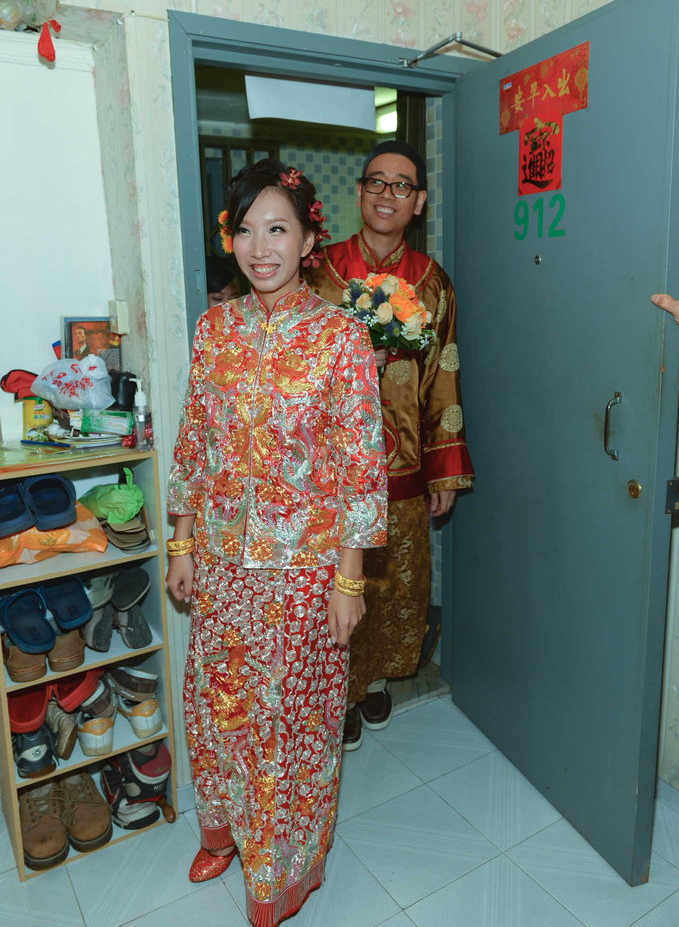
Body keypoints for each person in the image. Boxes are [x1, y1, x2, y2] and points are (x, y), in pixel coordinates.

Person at [166, 158, 387, 927]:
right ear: (230, 239)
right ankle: (223, 833)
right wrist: (182, 543)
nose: (261, 248)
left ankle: (282, 872)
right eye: (246, 230)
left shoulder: (341, 338)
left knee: (291, 729)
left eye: (278, 230)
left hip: (304, 573)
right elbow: (194, 441)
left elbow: (362, 468)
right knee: (216, 708)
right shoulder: (213, 329)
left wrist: (349, 582)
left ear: (308, 239)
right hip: (222, 564)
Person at [307, 140, 475, 750]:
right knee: (330, 582)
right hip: (323, 468)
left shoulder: (432, 283)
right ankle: (338, 691)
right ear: (359, 193)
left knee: (391, 585)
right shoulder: (317, 272)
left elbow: (444, 375)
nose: (387, 194)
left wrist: (444, 468)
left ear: (419, 201)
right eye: (376, 182)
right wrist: (350, 361)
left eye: (401, 185)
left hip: (400, 465)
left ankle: (373, 681)